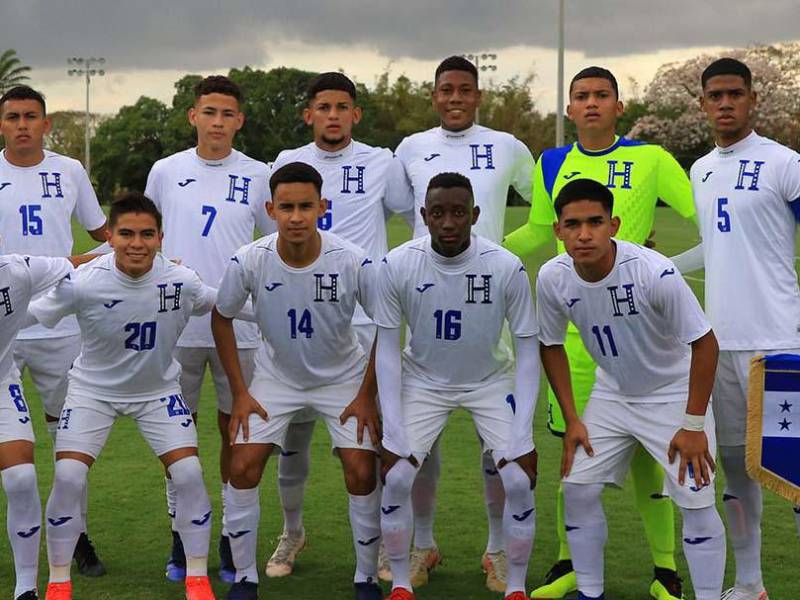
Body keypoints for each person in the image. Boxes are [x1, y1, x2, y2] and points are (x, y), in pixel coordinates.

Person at [504, 67, 696, 600]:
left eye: (601, 96)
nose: (591, 104)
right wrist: (485, 252)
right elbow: (540, 231)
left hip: (645, 336)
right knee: (574, 453)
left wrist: (671, 265)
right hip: (580, 337)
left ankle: (665, 571)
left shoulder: (652, 159)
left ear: (618, 105)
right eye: (581, 96)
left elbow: (706, 215)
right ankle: (569, 565)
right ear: (569, 108)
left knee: (648, 467)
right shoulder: (551, 163)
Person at [29, 193, 229, 600]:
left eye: (146, 234)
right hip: (92, 392)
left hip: (157, 393)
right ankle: (59, 580)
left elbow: (225, 302)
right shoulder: (83, 282)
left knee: (189, 474)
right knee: (68, 476)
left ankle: (196, 577)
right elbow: (30, 313)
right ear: (111, 238)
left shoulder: (180, 281)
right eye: (126, 234)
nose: (137, 243)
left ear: (160, 237)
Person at [536, 178, 726, 600]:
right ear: (558, 231)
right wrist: (572, 420)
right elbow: (549, 345)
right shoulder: (552, 277)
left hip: (672, 394)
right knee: (579, 491)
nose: (584, 234)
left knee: (696, 500)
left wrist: (693, 424)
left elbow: (705, 343)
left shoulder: (653, 272)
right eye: (573, 224)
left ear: (614, 225)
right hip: (612, 393)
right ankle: (590, 592)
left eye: (595, 222)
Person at [393, 56, 535, 592]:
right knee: (416, 442)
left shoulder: (508, 146)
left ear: (478, 95)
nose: (455, 98)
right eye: (446, 90)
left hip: (489, 300)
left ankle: (497, 549)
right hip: (425, 299)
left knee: (495, 444)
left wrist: (506, 254)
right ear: (435, 96)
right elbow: (400, 213)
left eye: (465, 90)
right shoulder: (409, 149)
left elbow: (542, 210)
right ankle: (423, 544)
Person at [263, 71, 412, 578]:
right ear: (309, 115)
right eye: (323, 106)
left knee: (376, 439)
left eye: (342, 106)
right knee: (294, 438)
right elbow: (274, 235)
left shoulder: (382, 161)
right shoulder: (286, 164)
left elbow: (413, 216)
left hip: (366, 319)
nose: (333, 115)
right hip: (302, 318)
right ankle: (292, 532)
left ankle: (385, 548)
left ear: (356, 114)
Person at [212, 162, 383, 600]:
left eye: (306, 206)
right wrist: (242, 391)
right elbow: (222, 316)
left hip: (342, 378)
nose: (295, 216)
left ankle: (366, 577)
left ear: (322, 207)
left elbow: (388, 322)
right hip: (275, 378)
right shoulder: (250, 259)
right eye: (286, 207)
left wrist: (366, 395)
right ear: (271, 209)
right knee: (242, 465)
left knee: (361, 469)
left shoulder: (351, 259)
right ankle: (245, 578)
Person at [374, 172, 539, 600]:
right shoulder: (398, 264)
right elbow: (388, 350)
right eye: (439, 213)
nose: (449, 222)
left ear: (475, 216)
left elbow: (527, 350)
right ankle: (405, 579)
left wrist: (522, 433)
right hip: (425, 381)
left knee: (518, 479)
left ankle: (512, 579)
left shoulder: (505, 266)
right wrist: (391, 428)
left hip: (489, 379)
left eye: (459, 213)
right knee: (395, 478)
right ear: (424, 216)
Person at [144, 75, 273, 582]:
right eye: (209, 112)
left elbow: (273, 244)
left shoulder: (260, 174)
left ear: (239, 120)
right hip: (174, 323)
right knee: (176, 433)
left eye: (227, 114)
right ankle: (181, 533)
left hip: (239, 328)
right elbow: (148, 238)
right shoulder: (165, 170)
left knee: (234, 430)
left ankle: (229, 536)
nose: (217, 122)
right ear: (192, 116)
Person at [688, 57, 800, 600]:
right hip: (719, 342)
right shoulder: (700, 170)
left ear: (753, 98)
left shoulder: (785, 164)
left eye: (735, 93)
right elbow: (714, 246)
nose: (725, 103)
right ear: (704, 103)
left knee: (797, 473)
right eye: (715, 95)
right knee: (734, 469)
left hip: (777, 340)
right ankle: (750, 582)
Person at [0, 85, 109, 577]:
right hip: (4, 325)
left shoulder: (70, 170)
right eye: (13, 117)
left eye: (31, 117)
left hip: (60, 323)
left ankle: (76, 534)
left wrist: (139, 241)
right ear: (1, 125)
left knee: (69, 440)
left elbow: (100, 233)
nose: (22, 124)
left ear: (47, 124)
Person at [0, 251, 93, 600]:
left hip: (1, 386)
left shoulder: (18, 271)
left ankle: (26, 588)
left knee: (21, 478)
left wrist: (122, 252)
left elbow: (71, 265)